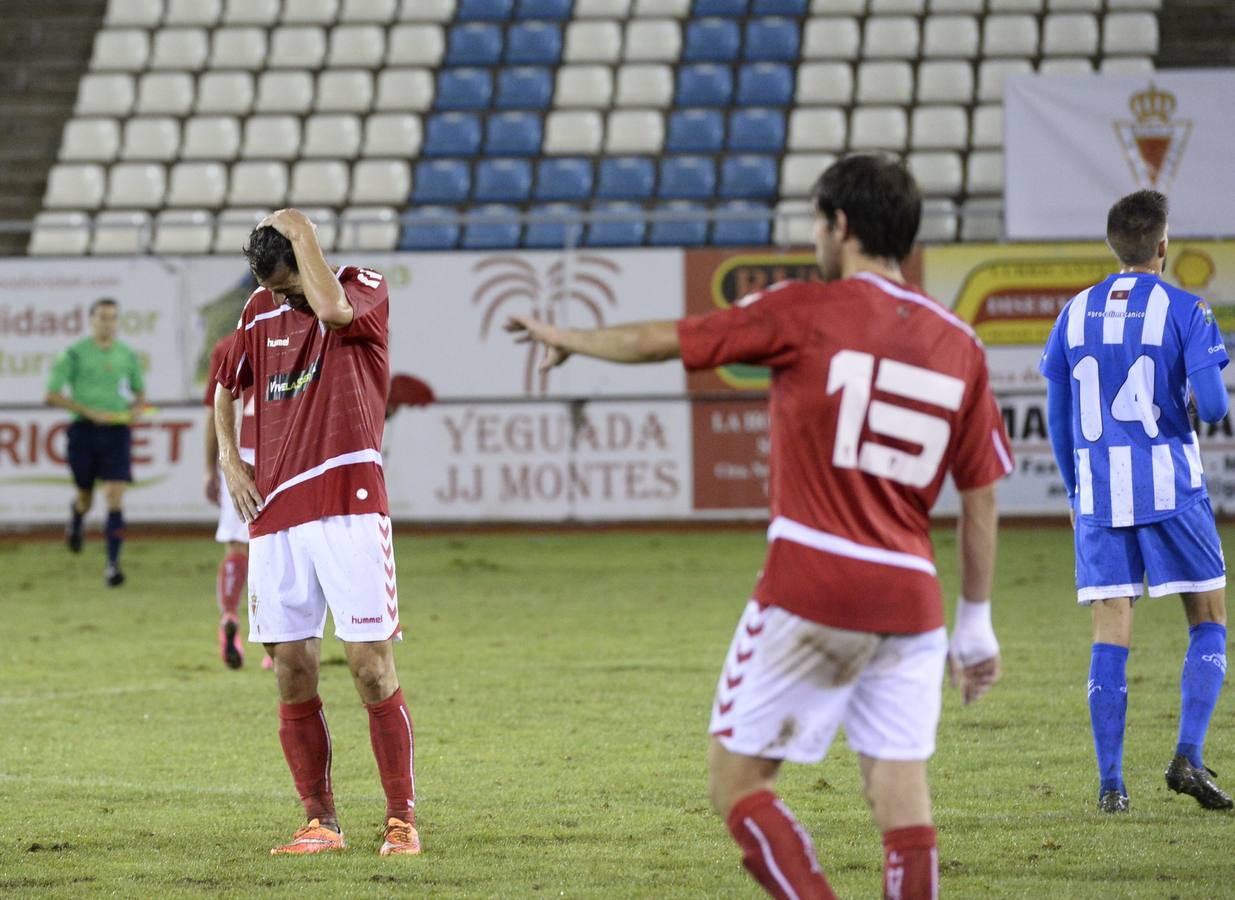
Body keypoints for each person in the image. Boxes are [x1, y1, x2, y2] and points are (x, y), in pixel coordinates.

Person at [508, 155, 1011, 900]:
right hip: (914, 603)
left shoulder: (804, 307)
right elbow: (980, 496)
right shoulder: (959, 344)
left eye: (816, 221)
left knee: (736, 781)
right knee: (900, 797)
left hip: (813, 585)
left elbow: (661, 341)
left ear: (839, 225)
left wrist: (569, 336)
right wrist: (976, 624)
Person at [214, 208, 420, 857]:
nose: (281, 298)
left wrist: (300, 230)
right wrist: (229, 456)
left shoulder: (360, 286)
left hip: (348, 501)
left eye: (287, 283)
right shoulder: (258, 309)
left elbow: (331, 310)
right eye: (271, 288)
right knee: (292, 670)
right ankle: (320, 821)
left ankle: (401, 820)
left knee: (368, 666)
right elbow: (224, 382)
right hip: (274, 512)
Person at [1040, 189, 1231, 814]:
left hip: (1099, 495)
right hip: (1172, 487)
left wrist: (1074, 492)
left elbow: (1059, 417)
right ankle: (1187, 754)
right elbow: (1219, 406)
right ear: (1164, 246)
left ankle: (1111, 785)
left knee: (1110, 634)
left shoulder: (1072, 314)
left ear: (1112, 245)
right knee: (1208, 620)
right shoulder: (1188, 309)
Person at [45, 297, 146, 587]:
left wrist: (137, 409)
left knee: (114, 496)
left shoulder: (127, 355)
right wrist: (89, 412)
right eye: (102, 317)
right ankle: (76, 517)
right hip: (84, 432)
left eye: (113, 317)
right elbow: (52, 394)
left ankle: (113, 566)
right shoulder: (74, 354)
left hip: (116, 432)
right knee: (85, 499)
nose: (108, 323)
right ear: (91, 321)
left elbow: (139, 395)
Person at [203, 333, 272, 671]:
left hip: (239, 453)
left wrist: (211, 467)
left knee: (236, 548)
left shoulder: (227, 346)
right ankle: (280, 643)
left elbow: (217, 408)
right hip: (283, 451)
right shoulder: (305, 334)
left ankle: (230, 615)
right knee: (279, 550)